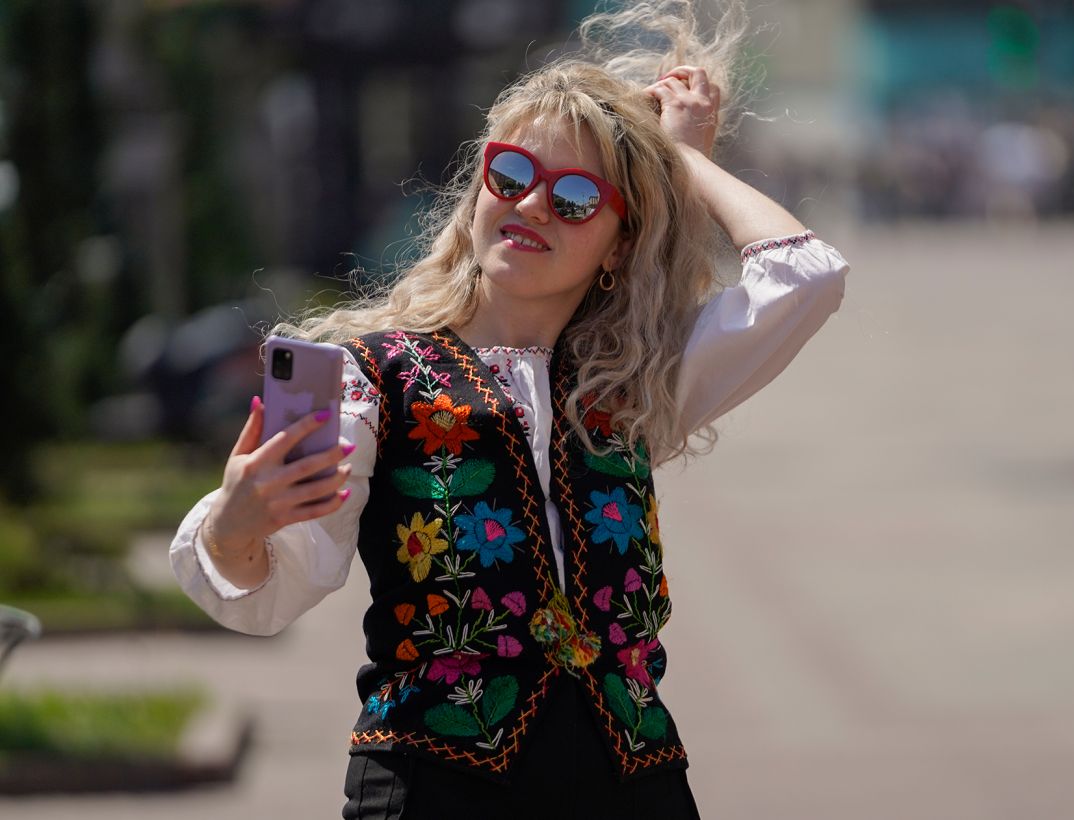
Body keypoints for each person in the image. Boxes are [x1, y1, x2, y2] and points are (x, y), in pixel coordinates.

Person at [169, 1, 848, 817]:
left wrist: (679, 162)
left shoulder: (633, 379)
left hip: (633, 787)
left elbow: (806, 277)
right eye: (512, 175)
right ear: (478, 192)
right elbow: (276, 584)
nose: (530, 206)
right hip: (436, 786)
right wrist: (234, 526)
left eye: (576, 197)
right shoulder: (370, 379)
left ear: (620, 243)